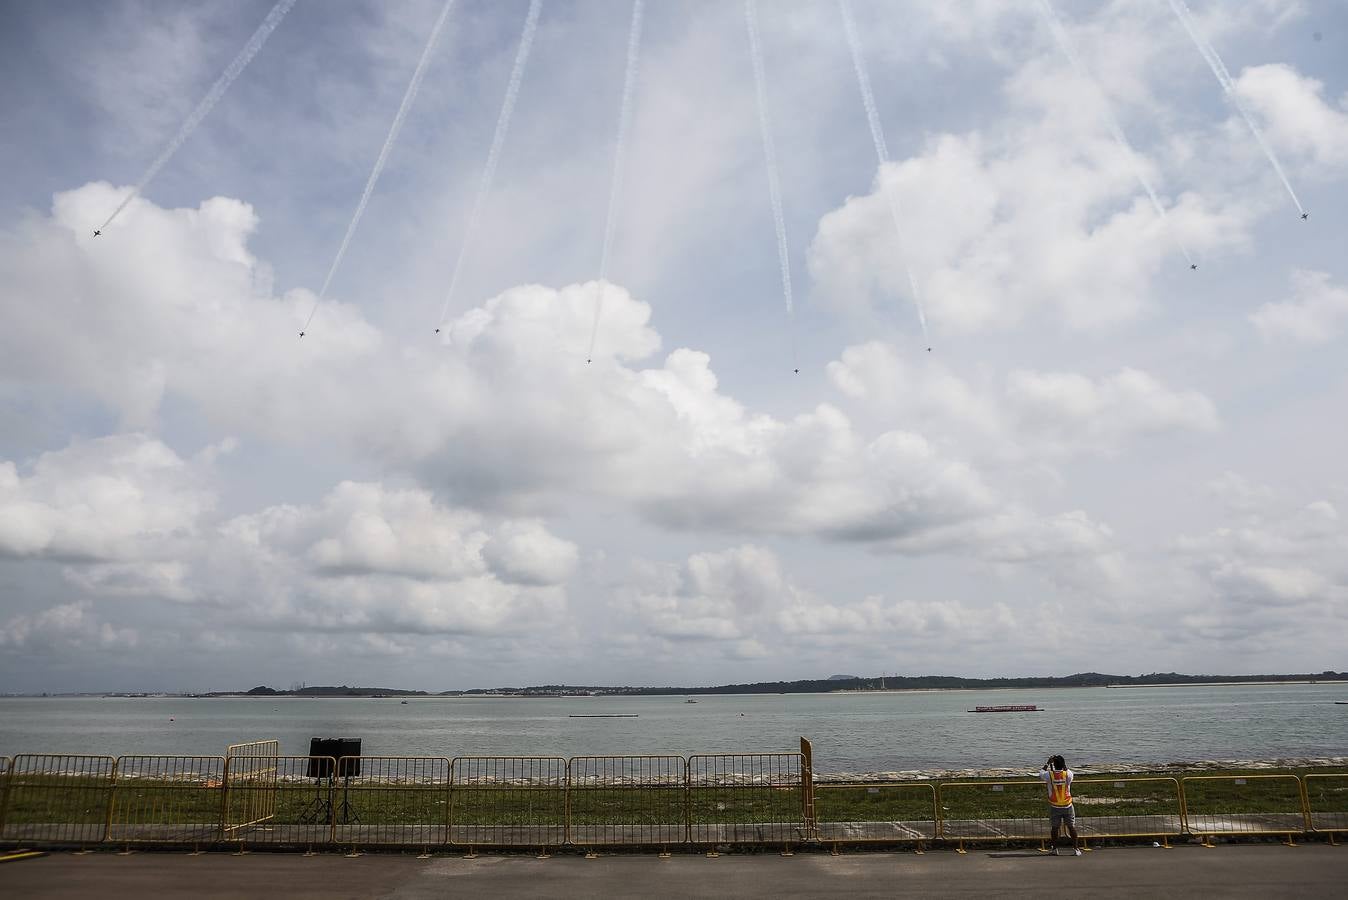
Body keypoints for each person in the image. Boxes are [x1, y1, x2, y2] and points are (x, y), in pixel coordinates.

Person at [1038, 755, 1081, 856]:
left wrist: (1047, 763)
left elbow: (1040, 774)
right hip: (1068, 805)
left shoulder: (1049, 775)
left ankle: (1055, 849)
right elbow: (1069, 772)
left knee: (1054, 828)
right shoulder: (1068, 775)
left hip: (1055, 805)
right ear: (1063, 764)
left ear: (1054, 764)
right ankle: (1076, 849)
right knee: (1071, 827)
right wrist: (1064, 765)